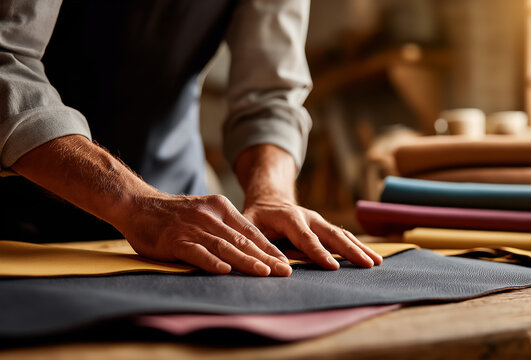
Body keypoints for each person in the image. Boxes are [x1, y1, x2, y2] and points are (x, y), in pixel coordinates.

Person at [0, 0, 383, 276]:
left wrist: (272, 194)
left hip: (180, 232)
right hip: (18, 227)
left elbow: (269, 96)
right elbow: (7, 62)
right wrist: (134, 202)